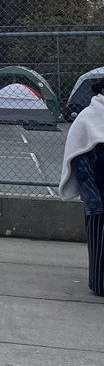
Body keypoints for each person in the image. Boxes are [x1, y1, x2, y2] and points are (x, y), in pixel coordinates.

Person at [59, 76, 104, 296]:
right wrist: (91, 196)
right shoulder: (88, 117)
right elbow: (78, 157)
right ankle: (100, 282)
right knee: (99, 234)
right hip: (98, 186)